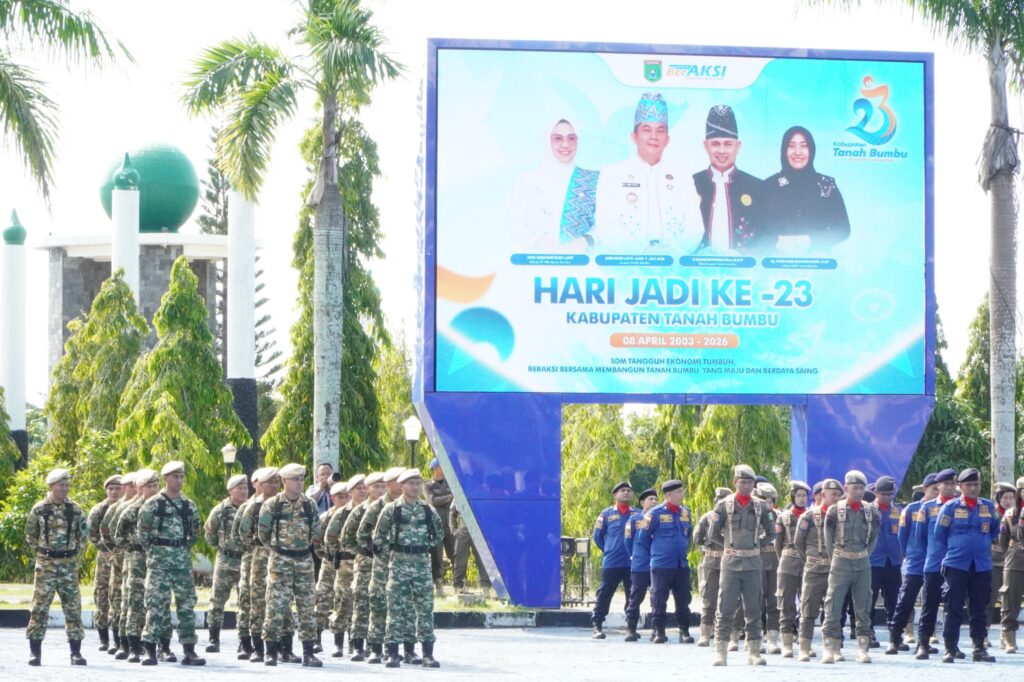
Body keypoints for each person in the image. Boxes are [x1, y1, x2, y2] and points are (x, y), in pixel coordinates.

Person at [593, 92, 701, 253]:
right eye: (646, 129)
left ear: (667, 139)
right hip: (625, 268)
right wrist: (642, 252)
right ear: (634, 136)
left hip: (674, 266)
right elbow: (606, 227)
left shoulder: (683, 177)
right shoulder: (611, 175)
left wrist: (670, 254)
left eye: (660, 131)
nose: (654, 136)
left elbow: (695, 229)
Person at [374, 469, 445, 668]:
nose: (414, 487)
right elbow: (379, 537)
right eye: (410, 483)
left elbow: (439, 534)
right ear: (401, 486)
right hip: (398, 563)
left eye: (417, 483)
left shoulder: (426, 509)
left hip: (421, 563)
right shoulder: (392, 509)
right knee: (396, 608)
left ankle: (427, 654)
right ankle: (393, 653)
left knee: (425, 608)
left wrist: (423, 546)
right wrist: (393, 553)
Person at [137, 461, 204, 666]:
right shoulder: (153, 504)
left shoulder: (188, 505)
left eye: (182, 477)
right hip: (159, 562)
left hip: (181, 562)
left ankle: (189, 650)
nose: (179, 480)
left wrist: (178, 548)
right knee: (156, 605)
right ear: (166, 478)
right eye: (175, 477)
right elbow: (143, 534)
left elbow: (195, 534)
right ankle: (150, 649)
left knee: (186, 605)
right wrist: (159, 550)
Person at [709, 464, 776, 666]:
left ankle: (754, 651)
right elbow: (712, 535)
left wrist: (757, 545)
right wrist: (730, 546)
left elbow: (772, 533)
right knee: (725, 607)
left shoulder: (761, 506)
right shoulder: (723, 505)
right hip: (730, 563)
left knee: (754, 607)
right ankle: (721, 652)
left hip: (754, 562)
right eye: (742, 482)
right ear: (735, 482)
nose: (746, 485)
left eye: (749, 482)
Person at [258, 462, 322, 667]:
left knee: (306, 607)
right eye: (295, 479)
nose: (299, 483)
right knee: (276, 606)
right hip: (280, 561)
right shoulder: (273, 505)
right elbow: (263, 533)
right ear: (285, 481)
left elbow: (316, 530)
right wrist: (279, 550)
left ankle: (309, 652)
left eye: (302, 479)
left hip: (303, 560)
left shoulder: (309, 504)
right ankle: (271, 651)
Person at [933, 468, 1000, 663]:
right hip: (956, 565)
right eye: (969, 485)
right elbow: (940, 534)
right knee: (952, 606)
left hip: (982, 565)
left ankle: (979, 647)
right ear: (960, 486)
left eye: (976, 484)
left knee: (980, 606)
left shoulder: (988, 507)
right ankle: (950, 647)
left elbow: (994, 530)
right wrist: (958, 548)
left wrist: (981, 544)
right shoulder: (951, 508)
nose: (973, 488)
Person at [24, 468, 88, 666]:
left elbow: (83, 537)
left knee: (73, 608)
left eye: (67, 485)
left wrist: (74, 556)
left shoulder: (75, 510)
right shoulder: (40, 509)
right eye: (61, 485)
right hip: (46, 565)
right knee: (39, 607)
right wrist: (44, 553)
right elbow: (30, 535)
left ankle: (75, 653)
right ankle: (35, 654)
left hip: (68, 565)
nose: (65, 488)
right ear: (51, 486)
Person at [821, 470, 879, 664]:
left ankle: (863, 648)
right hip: (840, 561)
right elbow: (828, 539)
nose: (859, 492)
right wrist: (837, 558)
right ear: (846, 488)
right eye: (855, 488)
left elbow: (873, 539)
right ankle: (831, 647)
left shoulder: (871, 511)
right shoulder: (835, 511)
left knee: (863, 606)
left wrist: (862, 555)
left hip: (862, 562)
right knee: (833, 605)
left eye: (862, 488)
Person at [761, 126, 850, 253]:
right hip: (778, 265)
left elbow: (843, 229)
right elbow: (758, 228)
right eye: (791, 146)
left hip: (818, 263)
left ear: (811, 150)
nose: (798, 152)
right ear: (784, 150)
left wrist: (811, 240)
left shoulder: (827, 185)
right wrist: (777, 241)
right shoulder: (769, 186)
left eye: (804, 146)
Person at [514, 118, 599, 249]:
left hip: (582, 263)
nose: (565, 144)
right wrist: (537, 241)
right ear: (547, 141)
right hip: (537, 262)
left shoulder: (593, 179)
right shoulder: (527, 180)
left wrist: (586, 241)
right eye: (558, 138)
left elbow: (608, 225)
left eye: (571, 138)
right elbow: (515, 225)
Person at [691, 105, 764, 253]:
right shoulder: (690, 184)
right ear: (706, 146)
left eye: (728, 144)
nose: (722, 151)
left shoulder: (758, 188)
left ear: (738, 146)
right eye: (716, 144)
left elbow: (765, 237)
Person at [887, 472, 939, 655]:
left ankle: (924, 640)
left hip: (934, 563)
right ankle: (894, 639)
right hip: (915, 562)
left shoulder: (943, 508)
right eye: (934, 488)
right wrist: (909, 554)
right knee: (905, 601)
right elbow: (902, 536)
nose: (938, 491)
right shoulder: (911, 509)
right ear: (925, 489)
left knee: (931, 602)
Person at [359, 466, 407, 663]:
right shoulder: (378, 506)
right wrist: (376, 550)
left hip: (404, 562)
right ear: (389, 484)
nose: (403, 483)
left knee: (403, 605)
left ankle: (397, 647)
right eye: (399, 480)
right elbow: (362, 533)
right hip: (381, 563)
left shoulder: (411, 504)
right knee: (378, 603)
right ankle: (376, 648)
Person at [638, 479, 694, 644]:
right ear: (668, 495)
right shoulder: (654, 514)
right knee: (659, 599)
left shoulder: (685, 512)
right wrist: (658, 554)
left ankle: (684, 631)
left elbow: (687, 534)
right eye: (678, 492)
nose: (681, 494)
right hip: (661, 565)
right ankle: (659, 631)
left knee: (683, 599)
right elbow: (643, 538)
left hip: (680, 564)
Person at [794, 478, 842, 661]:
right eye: (833, 494)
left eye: (839, 495)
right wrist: (810, 559)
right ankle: (804, 647)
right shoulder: (808, 516)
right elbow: (799, 543)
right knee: (808, 608)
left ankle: (834, 648)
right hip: (814, 568)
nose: (837, 498)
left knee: (834, 610)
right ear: (823, 495)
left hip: (835, 568)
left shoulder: (841, 515)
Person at [113, 469, 157, 663]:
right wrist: (132, 548)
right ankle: (131, 644)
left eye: (156, 485)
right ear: (139, 488)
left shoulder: (162, 505)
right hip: (137, 559)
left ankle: (159, 644)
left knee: (156, 602)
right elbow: (117, 534)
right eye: (149, 486)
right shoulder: (131, 508)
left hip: (157, 558)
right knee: (134, 600)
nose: (154, 489)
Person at [203, 473, 249, 653]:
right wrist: (222, 548)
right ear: (231, 491)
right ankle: (214, 639)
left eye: (246, 488)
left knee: (245, 601)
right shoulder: (221, 509)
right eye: (240, 488)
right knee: (217, 600)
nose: (244, 491)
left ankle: (243, 640)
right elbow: (209, 533)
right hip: (225, 559)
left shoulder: (250, 507)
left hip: (245, 558)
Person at [917, 468, 959, 659]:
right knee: (929, 605)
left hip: (956, 564)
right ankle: (923, 644)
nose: (949, 487)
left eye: (953, 483)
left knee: (953, 607)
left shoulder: (962, 506)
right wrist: (932, 555)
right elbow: (920, 538)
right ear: (938, 486)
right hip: (934, 564)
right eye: (946, 484)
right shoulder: (926, 508)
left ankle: (952, 646)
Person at [590, 481, 640, 639]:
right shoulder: (606, 514)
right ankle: (597, 625)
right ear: (615, 495)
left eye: (629, 491)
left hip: (632, 562)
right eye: (622, 490)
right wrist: (609, 549)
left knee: (633, 595)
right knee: (604, 593)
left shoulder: (638, 515)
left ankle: (631, 627)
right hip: (612, 562)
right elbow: (597, 536)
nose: (626, 493)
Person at [230, 467, 270, 661]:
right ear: (258, 484)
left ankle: (275, 644)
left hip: (273, 557)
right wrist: (252, 548)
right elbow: (238, 532)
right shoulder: (251, 506)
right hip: (251, 557)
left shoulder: (279, 504)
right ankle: (245, 641)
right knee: (248, 599)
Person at [325, 473, 366, 657]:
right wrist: (338, 556)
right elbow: (329, 538)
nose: (363, 491)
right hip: (346, 563)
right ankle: (338, 643)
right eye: (359, 488)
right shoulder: (342, 513)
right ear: (350, 492)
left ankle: (356, 643)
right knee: (343, 602)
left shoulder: (371, 510)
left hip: (365, 562)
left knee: (362, 603)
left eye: (365, 487)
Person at [346, 471, 385, 661]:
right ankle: (357, 645)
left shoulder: (390, 508)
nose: (380, 490)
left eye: (383, 486)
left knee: (380, 603)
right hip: (365, 563)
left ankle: (376, 644)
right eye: (376, 486)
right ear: (368, 489)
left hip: (385, 563)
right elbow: (347, 537)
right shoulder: (361, 511)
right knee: (361, 602)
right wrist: (363, 552)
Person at [100, 471, 136, 657]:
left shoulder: (143, 505)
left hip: (140, 562)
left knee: (138, 601)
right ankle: (118, 640)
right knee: (117, 599)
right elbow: (104, 531)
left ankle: (140, 641)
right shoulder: (115, 508)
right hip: (119, 560)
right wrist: (113, 551)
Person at [87, 474, 123, 652]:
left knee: (119, 596)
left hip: (123, 557)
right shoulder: (99, 510)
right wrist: (106, 548)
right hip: (104, 557)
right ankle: (103, 638)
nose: (114, 492)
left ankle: (119, 638)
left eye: (117, 488)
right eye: (111, 488)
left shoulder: (126, 508)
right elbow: (91, 534)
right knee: (101, 595)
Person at [774, 480, 810, 657]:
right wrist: (785, 560)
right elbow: (778, 545)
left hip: (807, 564)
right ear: (793, 497)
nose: (802, 499)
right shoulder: (784, 517)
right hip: (788, 563)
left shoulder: (812, 517)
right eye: (799, 495)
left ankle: (805, 643)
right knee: (786, 604)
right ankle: (787, 643)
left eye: (804, 496)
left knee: (807, 604)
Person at [312, 481, 348, 652]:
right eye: (341, 496)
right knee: (323, 599)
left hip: (347, 564)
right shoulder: (325, 517)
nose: (345, 499)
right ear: (333, 498)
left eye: (347, 496)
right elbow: (316, 542)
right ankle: (316, 637)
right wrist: (327, 556)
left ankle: (339, 642)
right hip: (329, 564)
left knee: (344, 601)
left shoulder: (352, 515)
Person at [694, 486, 732, 646]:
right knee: (709, 598)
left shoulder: (734, 518)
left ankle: (725, 633)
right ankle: (705, 633)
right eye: (718, 499)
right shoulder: (707, 518)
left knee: (729, 598)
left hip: (729, 561)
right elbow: (697, 538)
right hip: (710, 561)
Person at [869, 475, 902, 649]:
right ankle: (869, 633)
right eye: (883, 494)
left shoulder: (898, 511)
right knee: (870, 599)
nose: (887, 498)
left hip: (893, 562)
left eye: (890, 495)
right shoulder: (868, 511)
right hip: (873, 561)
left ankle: (895, 635)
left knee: (894, 600)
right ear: (875, 492)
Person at [623, 487, 659, 641]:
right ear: (643, 503)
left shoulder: (661, 517)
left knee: (657, 597)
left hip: (658, 563)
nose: (654, 501)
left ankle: (656, 630)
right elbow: (627, 541)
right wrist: (635, 555)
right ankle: (631, 629)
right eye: (650, 499)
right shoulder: (634, 519)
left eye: (656, 499)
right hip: (640, 564)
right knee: (635, 597)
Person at [755, 482, 782, 654]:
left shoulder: (780, 516)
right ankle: (756, 637)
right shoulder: (753, 514)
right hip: (757, 558)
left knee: (774, 600)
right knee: (755, 601)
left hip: (775, 559)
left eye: (771, 500)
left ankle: (772, 637)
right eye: (766, 500)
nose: (769, 503)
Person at [999, 476, 1024, 653]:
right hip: (1016, 559)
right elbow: (1003, 540)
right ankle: (1008, 637)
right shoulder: (1010, 514)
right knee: (1011, 599)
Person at [424, 459, 456, 597]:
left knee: (455, 554)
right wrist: (449, 497)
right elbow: (432, 501)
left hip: (450, 526)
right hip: (435, 528)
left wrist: (443, 498)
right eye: (442, 466)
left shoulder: (451, 484)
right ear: (435, 468)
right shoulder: (428, 485)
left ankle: (458, 585)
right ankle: (439, 585)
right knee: (436, 557)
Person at [990, 481, 1016, 641]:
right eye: (1005, 497)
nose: (1007, 501)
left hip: (1011, 562)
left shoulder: (1017, 514)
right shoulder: (991, 514)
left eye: (1011, 498)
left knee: (1009, 600)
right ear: (999, 498)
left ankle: (1005, 636)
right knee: (989, 598)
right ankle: (983, 634)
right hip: (993, 560)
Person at [450, 501, 492, 595]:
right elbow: (452, 513)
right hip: (463, 530)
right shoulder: (458, 493)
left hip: (480, 529)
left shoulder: (481, 492)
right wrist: (454, 530)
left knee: (483, 560)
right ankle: (458, 587)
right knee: (459, 560)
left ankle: (486, 590)